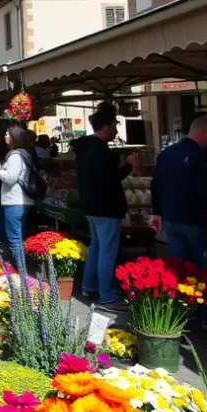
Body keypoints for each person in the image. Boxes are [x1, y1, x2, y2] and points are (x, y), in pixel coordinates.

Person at [151, 116, 207, 278]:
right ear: (201, 133)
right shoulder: (200, 156)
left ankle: (181, 295)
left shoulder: (166, 153)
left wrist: (157, 212)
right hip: (197, 222)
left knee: (179, 271)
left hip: (171, 220)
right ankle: (205, 295)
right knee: (204, 274)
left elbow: (156, 185)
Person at [72, 104, 138, 311]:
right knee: (107, 252)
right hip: (106, 208)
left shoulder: (85, 148)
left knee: (97, 248)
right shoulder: (100, 151)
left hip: (91, 207)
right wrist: (129, 165)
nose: (116, 129)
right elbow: (110, 179)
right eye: (115, 125)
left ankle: (89, 285)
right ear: (106, 126)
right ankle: (107, 296)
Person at [0, 127, 35, 266]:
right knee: (19, 236)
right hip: (20, 201)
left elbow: (10, 178)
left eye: (7, 134)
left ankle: (21, 270)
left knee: (14, 238)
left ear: (14, 137)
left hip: (14, 201)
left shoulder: (16, 156)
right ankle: (21, 266)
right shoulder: (21, 154)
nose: (5, 136)